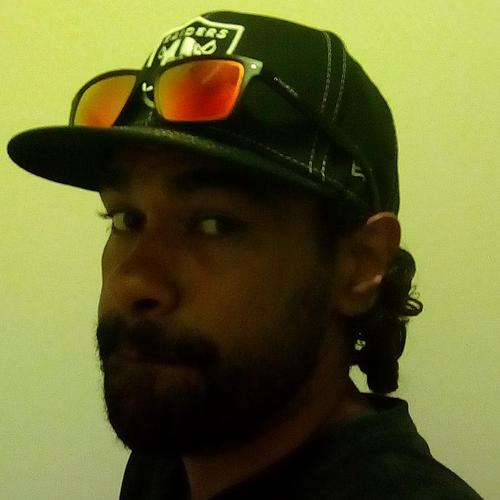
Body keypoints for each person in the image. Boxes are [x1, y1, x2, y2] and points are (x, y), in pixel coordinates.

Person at [7, 10, 481, 500]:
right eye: (127, 219)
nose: (134, 282)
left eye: (214, 224)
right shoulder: (173, 453)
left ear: (359, 265)